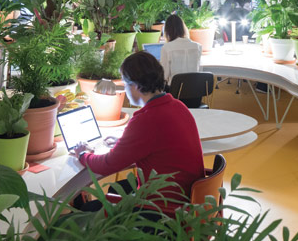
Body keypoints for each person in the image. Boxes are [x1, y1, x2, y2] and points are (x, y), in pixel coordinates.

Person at [71, 51, 205, 207]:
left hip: (164, 208)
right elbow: (156, 143)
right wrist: (125, 143)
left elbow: (108, 165)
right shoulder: (178, 106)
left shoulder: (147, 119)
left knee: (87, 209)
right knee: (116, 188)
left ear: (135, 85)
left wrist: (82, 154)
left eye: (125, 83)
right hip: (186, 197)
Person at [159, 14, 202, 86]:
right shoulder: (198, 47)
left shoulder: (167, 48)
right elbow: (199, 71)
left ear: (167, 31)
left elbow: (164, 76)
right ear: (183, 28)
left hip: (175, 90)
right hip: (195, 90)